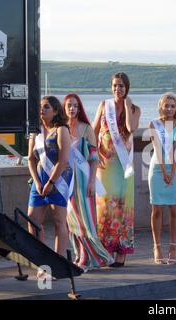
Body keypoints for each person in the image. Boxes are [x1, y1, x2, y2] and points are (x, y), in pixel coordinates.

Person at [93, 72, 141, 267]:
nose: (117, 89)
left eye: (121, 86)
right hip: (105, 165)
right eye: (114, 85)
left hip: (123, 166)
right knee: (104, 206)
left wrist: (128, 106)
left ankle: (121, 253)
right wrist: (93, 155)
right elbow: (93, 130)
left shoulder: (135, 108)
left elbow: (130, 128)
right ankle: (104, 251)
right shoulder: (104, 106)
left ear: (127, 87)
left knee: (122, 205)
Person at [64, 93, 114, 271]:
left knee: (85, 219)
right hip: (66, 181)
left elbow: (93, 159)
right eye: (69, 105)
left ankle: (90, 256)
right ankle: (79, 254)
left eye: (75, 106)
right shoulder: (61, 129)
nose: (72, 109)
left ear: (80, 108)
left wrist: (92, 181)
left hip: (83, 178)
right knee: (71, 220)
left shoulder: (87, 129)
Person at [27, 96, 73, 263]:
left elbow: (63, 160)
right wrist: (38, 182)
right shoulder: (35, 131)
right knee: (32, 221)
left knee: (59, 221)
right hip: (40, 180)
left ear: (55, 111)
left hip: (58, 180)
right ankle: (41, 259)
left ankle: (57, 261)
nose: (42, 110)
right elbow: (31, 159)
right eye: (40, 107)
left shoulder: (61, 130)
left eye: (46, 107)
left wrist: (51, 182)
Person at [148, 93, 176, 264]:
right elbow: (157, 148)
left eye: (172, 106)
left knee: (174, 209)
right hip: (157, 168)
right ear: (161, 107)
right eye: (166, 105)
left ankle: (172, 246)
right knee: (157, 209)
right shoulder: (154, 124)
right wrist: (164, 171)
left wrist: (172, 172)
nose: (169, 109)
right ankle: (156, 247)